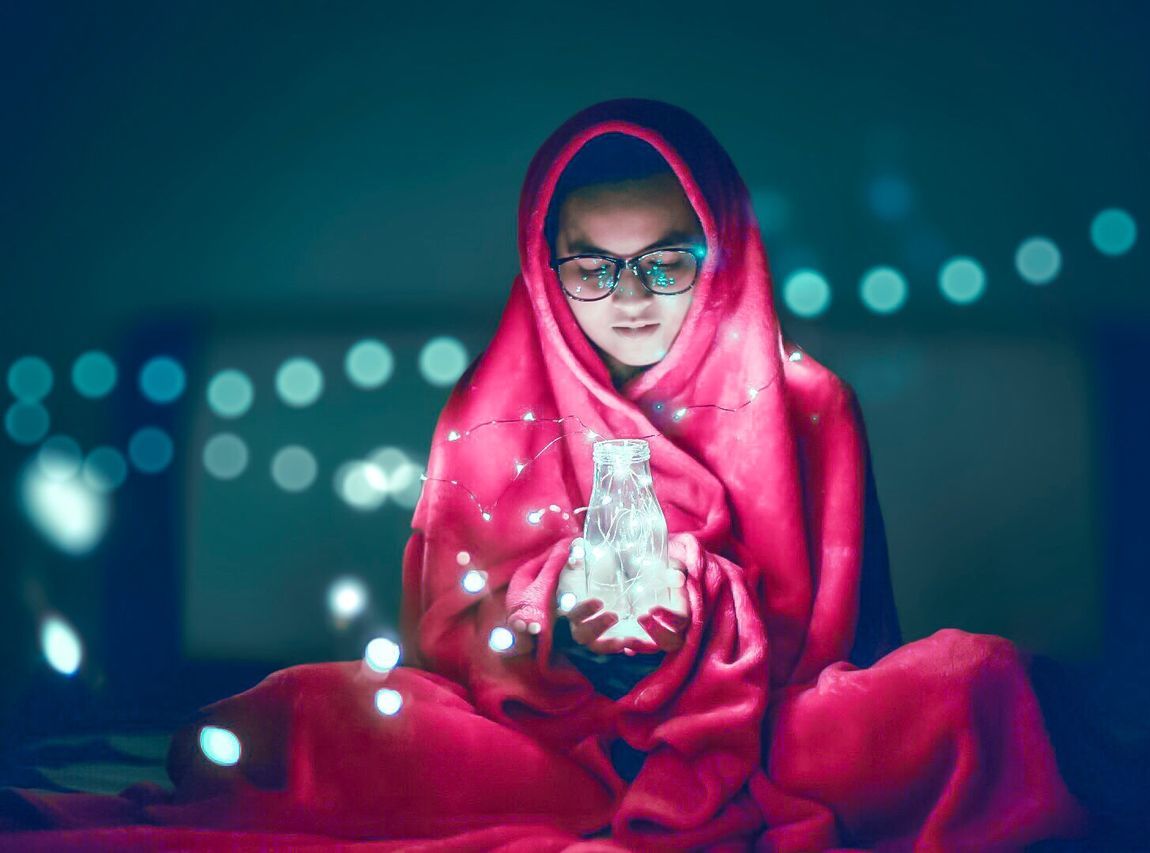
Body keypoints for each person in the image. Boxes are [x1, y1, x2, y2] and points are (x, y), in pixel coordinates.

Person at [0, 98, 1089, 850]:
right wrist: (554, 621)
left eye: (666, 260)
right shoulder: (487, 408)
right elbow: (441, 641)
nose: (630, 296)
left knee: (971, 682)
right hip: (543, 746)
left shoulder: (805, 402)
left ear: (721, 250)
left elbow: (851, 638)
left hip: (767, 741)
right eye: (591, 264)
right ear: (542, 259)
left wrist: (709, 628)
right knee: (320, 715)